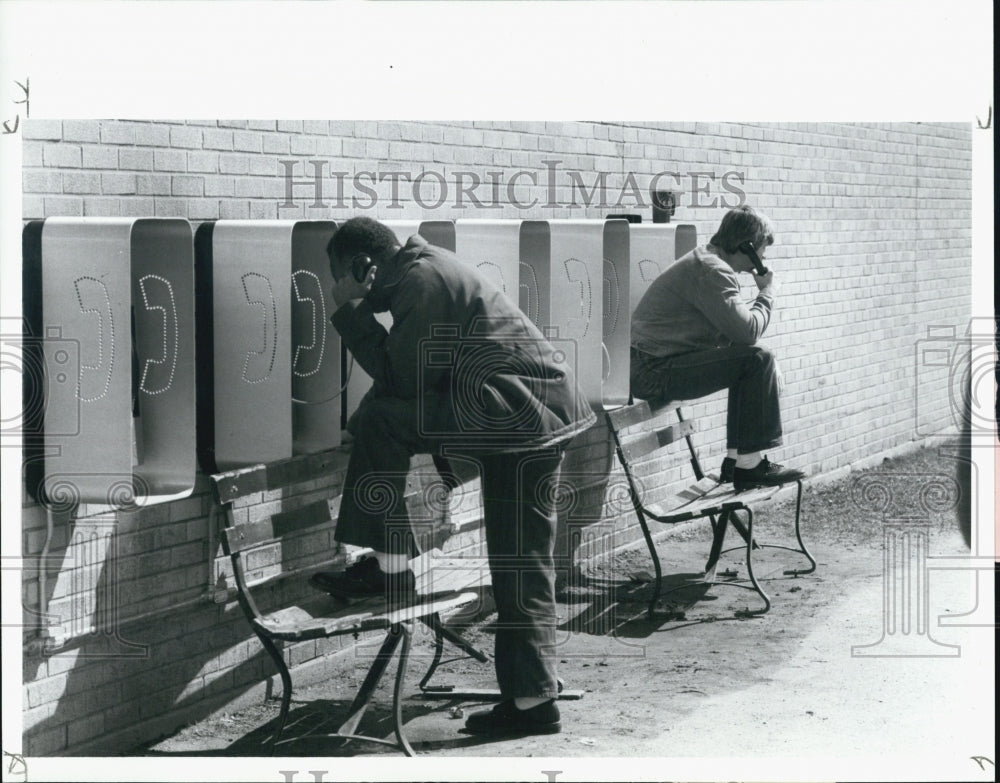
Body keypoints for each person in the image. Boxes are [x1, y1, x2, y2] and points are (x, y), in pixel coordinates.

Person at [312, 217, 596, 737]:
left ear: (363, 267)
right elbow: (415, 372)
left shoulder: (420, 283)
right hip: (522, 411)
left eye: (340, 277)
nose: (335, 287)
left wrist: (350, 312)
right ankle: (533, 698)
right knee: (522, 559)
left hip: (518, 414)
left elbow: (401, 378)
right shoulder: (422, 272)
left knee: (520, 559)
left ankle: (392, 571)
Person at [629, 205, 804, 490]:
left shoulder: (708, 262)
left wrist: (769, 365)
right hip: (652, 370)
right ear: (745, 246)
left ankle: (738, 462)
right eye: (761, 250)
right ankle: (749, 466)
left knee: (755, 362)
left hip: (656, 364)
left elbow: (737, 335)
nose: (763, 258)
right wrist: (767, 292)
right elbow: (748, 332)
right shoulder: (712, 271)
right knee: (756, 361)